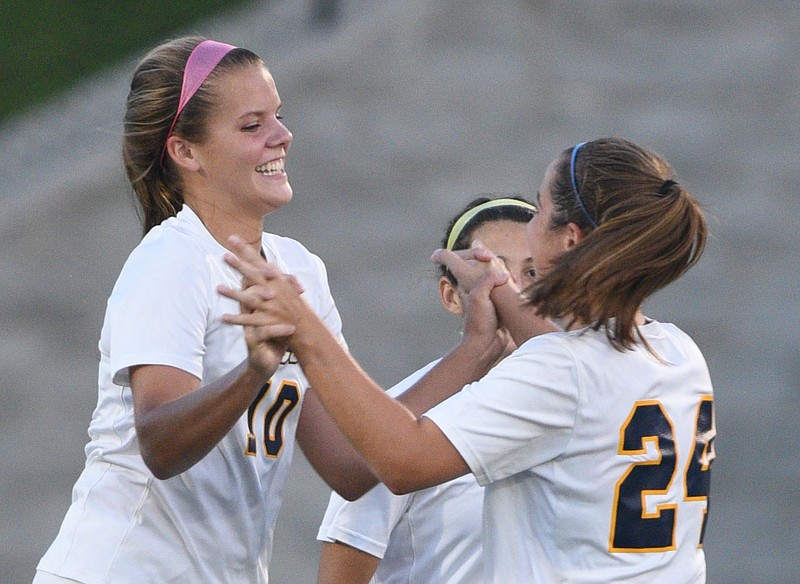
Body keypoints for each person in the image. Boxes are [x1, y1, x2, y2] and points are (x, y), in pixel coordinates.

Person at [33, 36, 496, 584]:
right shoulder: (172, 259)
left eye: (277, 116)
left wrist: (475, 349)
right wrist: (255, 370)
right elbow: (157, 442)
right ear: (186, 152)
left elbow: (352, 464)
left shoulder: (300, 270)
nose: (282, 135)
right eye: (252, 125)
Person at [220, 137, 716, 583]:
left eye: (540, 209)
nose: (531, 225)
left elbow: (401, 461)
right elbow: (570, 364)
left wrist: (307, 330)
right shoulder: (679, 353)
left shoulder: (558, 372)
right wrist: (496, 288)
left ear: (568, 238)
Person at [316, 196, 546, 584]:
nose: (516, 291)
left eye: (534, 273)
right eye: (493, 272)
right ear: (451, 295)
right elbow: (342, 572)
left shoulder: (578, 398)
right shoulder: (396, 419)